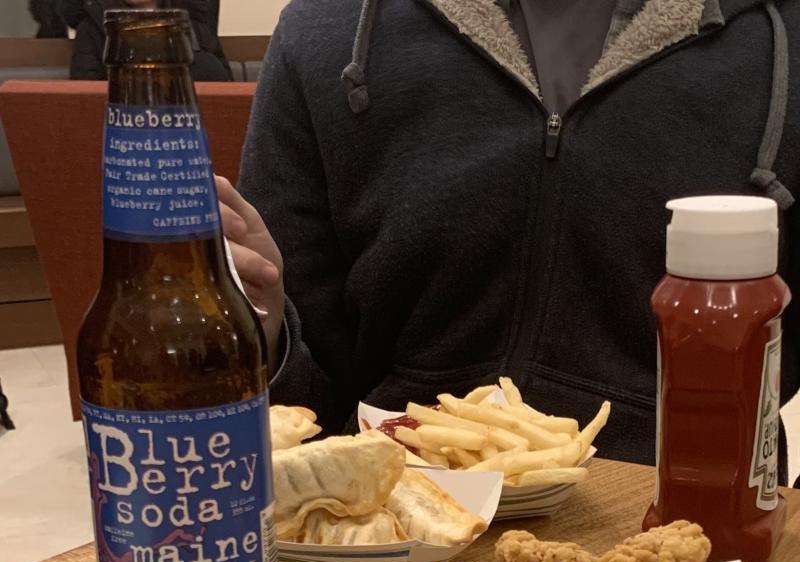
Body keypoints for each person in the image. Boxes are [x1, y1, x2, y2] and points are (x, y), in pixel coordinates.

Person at [219, 0, 800, 479]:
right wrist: (261, 332)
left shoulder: (783, 42)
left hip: (702, 522)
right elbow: (306, 405)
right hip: (388, 522)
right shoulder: (327, 32)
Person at [59, 0, 232, 81]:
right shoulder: (93, 28)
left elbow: (225, 92)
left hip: (190, 136)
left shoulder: (192, 24)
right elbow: (85, 100)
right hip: (124, 136)